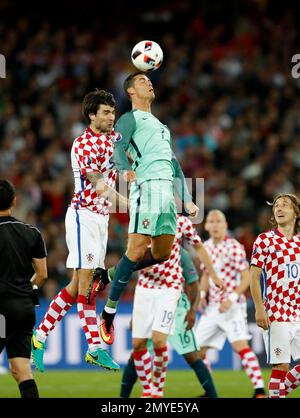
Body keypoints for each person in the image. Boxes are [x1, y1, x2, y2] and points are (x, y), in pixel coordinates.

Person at [98, 72, 199, 346]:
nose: (149, 82)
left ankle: (108, 274)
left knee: (163, 253)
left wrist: (187, 198)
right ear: (130, 91)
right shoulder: (129, 119)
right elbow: (118, 146)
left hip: (167, 192)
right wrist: (125, 169)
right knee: (136, 249)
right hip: (147, 187)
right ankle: (108, 313)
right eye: (142, 81)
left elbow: (175, 165)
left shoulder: (162, 126)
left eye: (149, 80)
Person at [31, 89, 124, 372]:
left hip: (101, 220)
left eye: (113, 112)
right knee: (87, 287)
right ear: (92, 114)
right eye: (106, 112)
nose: (111, 117)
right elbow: (99, 185)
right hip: (83, 218)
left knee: (76, 287)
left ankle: (39, 336)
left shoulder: (115, 139)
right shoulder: (83, 144)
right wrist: (131, 204)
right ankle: (95, 348)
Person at [122, 214, 224, 398]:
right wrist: (135, 316)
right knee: (137, 352)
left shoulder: (180, 254)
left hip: (177, 308)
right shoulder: (142, 250)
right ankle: (124, 398)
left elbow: (193, 284)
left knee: (192, 355)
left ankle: (211, 395)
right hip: (151, 303)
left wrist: (192, 311)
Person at [196, 210, 266, 398]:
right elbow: (205, 275)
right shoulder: (206, 247)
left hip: (233, 307)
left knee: (240, 346)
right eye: (212, 221)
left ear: (225, 225)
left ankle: (259, 389)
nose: (216, 224)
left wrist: (231, 299)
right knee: (196, 351)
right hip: (212, 308)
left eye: (219, 221)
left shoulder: (234, 246)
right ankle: (209, 391)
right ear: (207, 226)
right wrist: (202, 295)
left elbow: (246, 277)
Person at [0, 179, 48, 398]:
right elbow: (42, 273)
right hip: (23, 310)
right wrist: (28, 289)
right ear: (14, 201)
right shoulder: (31, 232)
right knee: (21, 369)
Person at [250, 193, 300, 398]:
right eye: (276, 206)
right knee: (282, 364)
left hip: (297, 310)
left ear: (296, 212)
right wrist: (259, 308)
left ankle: (274, 395)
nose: (279, 209)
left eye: (285, 205)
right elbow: (253, 277)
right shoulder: (265, 240)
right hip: (276, 311)